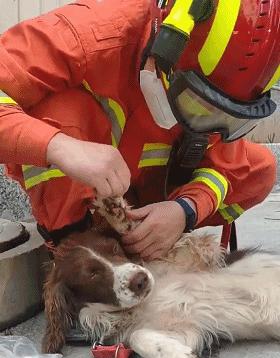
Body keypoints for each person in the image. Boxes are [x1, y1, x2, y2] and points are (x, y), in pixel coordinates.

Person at [0, 0, 279, 261]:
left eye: (227, 117)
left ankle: (154, 239)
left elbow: (237, 165)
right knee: (62, 110)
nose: (208, 122)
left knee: (260, 168)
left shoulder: (222, 87)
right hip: (84, 211)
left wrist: (184, 212)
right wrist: (59, 146)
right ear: (165, 48)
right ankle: (72, 248)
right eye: (197, 104)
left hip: (150, 208)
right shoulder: (88, 35)